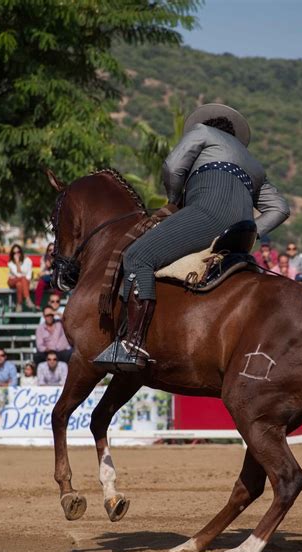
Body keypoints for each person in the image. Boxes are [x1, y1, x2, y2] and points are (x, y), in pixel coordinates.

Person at [95, 103, 290, 370]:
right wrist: (253, 231)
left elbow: (173, 166)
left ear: (208, 125)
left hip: (206, 215)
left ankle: (133, 344)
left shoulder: (202, 132)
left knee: (137, 256)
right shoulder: (254, 165)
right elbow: (280, 208)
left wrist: (174, 200)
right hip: (240, 235)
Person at [7, 244, 35, 312]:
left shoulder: (28, 260)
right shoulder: (10, 263)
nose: (16, 254)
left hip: (24, 282)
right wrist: (17, 263)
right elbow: (18, 275)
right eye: (14, 253)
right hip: (12, 280)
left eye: (18, 252)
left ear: (21, 252)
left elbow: (28, 276)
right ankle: (27, 299)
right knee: (21, 279)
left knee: (19, 284)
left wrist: (23, 275)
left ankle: (19, 304)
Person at [35, 243, 59, 308]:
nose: (52, 252)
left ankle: (56, 304)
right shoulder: (44, 259)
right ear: (47, 251)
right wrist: (46, 266)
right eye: (50, 250)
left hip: (55, 280)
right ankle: (37, 304)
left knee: (58, 285)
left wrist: (51, 266)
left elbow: (58, 272)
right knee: (40, 283)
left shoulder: (59, 259)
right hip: (47, 279)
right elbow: (41, 273)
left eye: (53, 250)